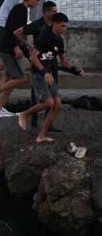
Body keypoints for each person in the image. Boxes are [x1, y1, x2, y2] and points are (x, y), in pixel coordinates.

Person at [17, 13, 85, 142]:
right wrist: (44, 73)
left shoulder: (59, 40)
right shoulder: (44, 36)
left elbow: (64, 61)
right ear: (54, 24)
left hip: (50, 75)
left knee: (57, 105)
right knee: (49, 102)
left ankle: (41, 136)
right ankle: (24, 114)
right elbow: (32, 57)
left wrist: (76, 70)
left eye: (66, 26)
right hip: (39, 74)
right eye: (62, 26)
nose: (65, 29)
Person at [0, 0, 45, 117]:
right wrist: (16, 47)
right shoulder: (20, 10)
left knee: (10, 77)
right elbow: (11, 29)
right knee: (21, 78)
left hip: (10, 47)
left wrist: (28, 49)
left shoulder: (21, 10)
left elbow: (17, 33)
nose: (38, 3)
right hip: (8, 48)